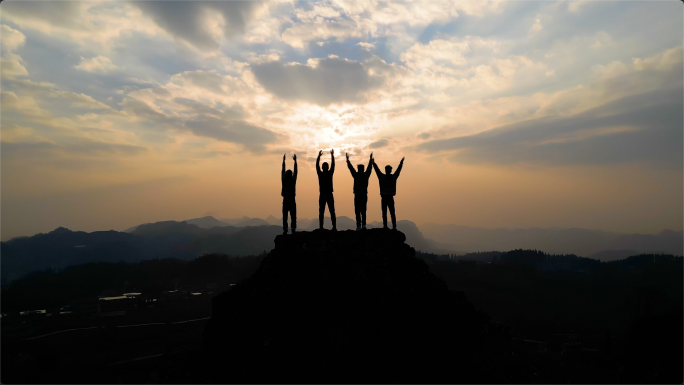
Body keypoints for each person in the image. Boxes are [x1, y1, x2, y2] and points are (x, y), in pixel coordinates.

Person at [372, 156, 404, 230]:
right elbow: (398, 171)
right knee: (392, 213)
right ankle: (394, 227)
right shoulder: (393, 177)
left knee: (385, 213)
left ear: (386, 170)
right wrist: (401, 163)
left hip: (384, 197)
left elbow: (377, 170)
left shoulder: (382, 177)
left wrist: (373, 163)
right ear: (390, 170)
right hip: (390, 197)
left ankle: (385, 226)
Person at [346, 152, 373, 231]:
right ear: (363, 169)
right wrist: (370, 160)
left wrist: (348, 161)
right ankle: (363, 225)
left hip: (357, 195)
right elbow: (369, 168)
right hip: (364, 195)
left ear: (358, 169)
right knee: (363, 210)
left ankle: (358, 226)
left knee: (357, 211)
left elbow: (351, 168)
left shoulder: (356, 175)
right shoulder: (366, 175)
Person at [316, 149, 336, 230]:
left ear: (322, 167)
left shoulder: (320, 174)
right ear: (327, 167)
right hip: (329, 194)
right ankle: (334, 227)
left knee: (322, 212)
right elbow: (333, 165)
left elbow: (316, 166)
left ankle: (321, 227)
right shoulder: (329, 173)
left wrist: (318, 157)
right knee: (332, 211)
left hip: (323, 194)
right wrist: (332, 155)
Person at [281, 153, 297, 235]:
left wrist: (283, 161)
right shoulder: (293, 180)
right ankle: (293, 230)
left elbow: (282, 171)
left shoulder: (284, 180)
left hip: (286, 200)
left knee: (285, 217)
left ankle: (285, 231)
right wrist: (295, 162)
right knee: (292, 217)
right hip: (291, 200)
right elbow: (296, 172)